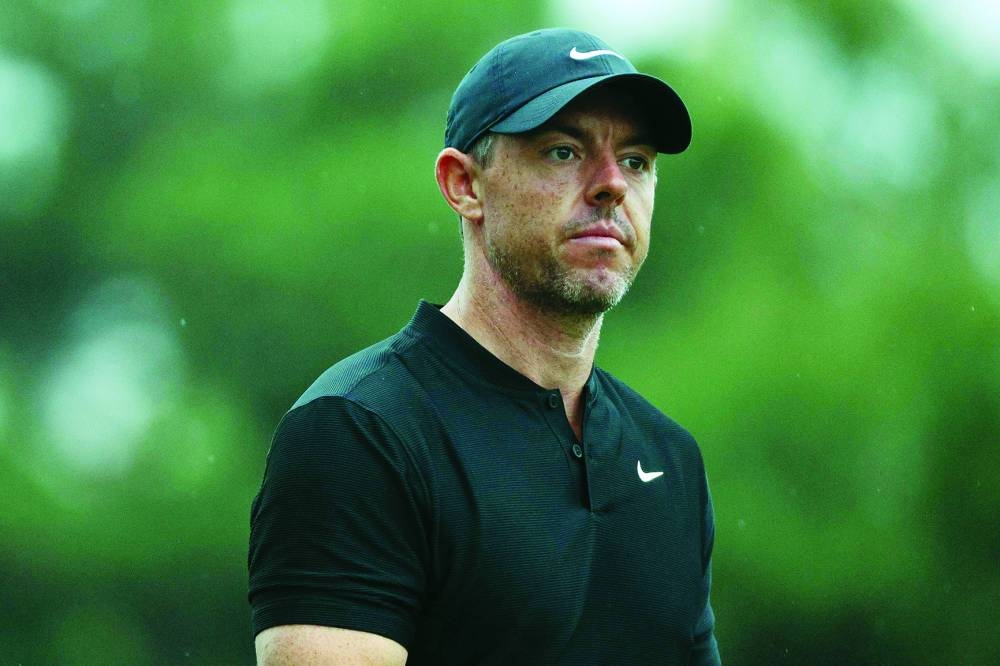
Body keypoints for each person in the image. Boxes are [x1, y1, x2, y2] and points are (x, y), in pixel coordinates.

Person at [248, 27, 720, 665]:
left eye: (636, 160)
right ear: (463, 185)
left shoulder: (671, 461)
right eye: (562, 151)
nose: (612, 184)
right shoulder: (360, 431)